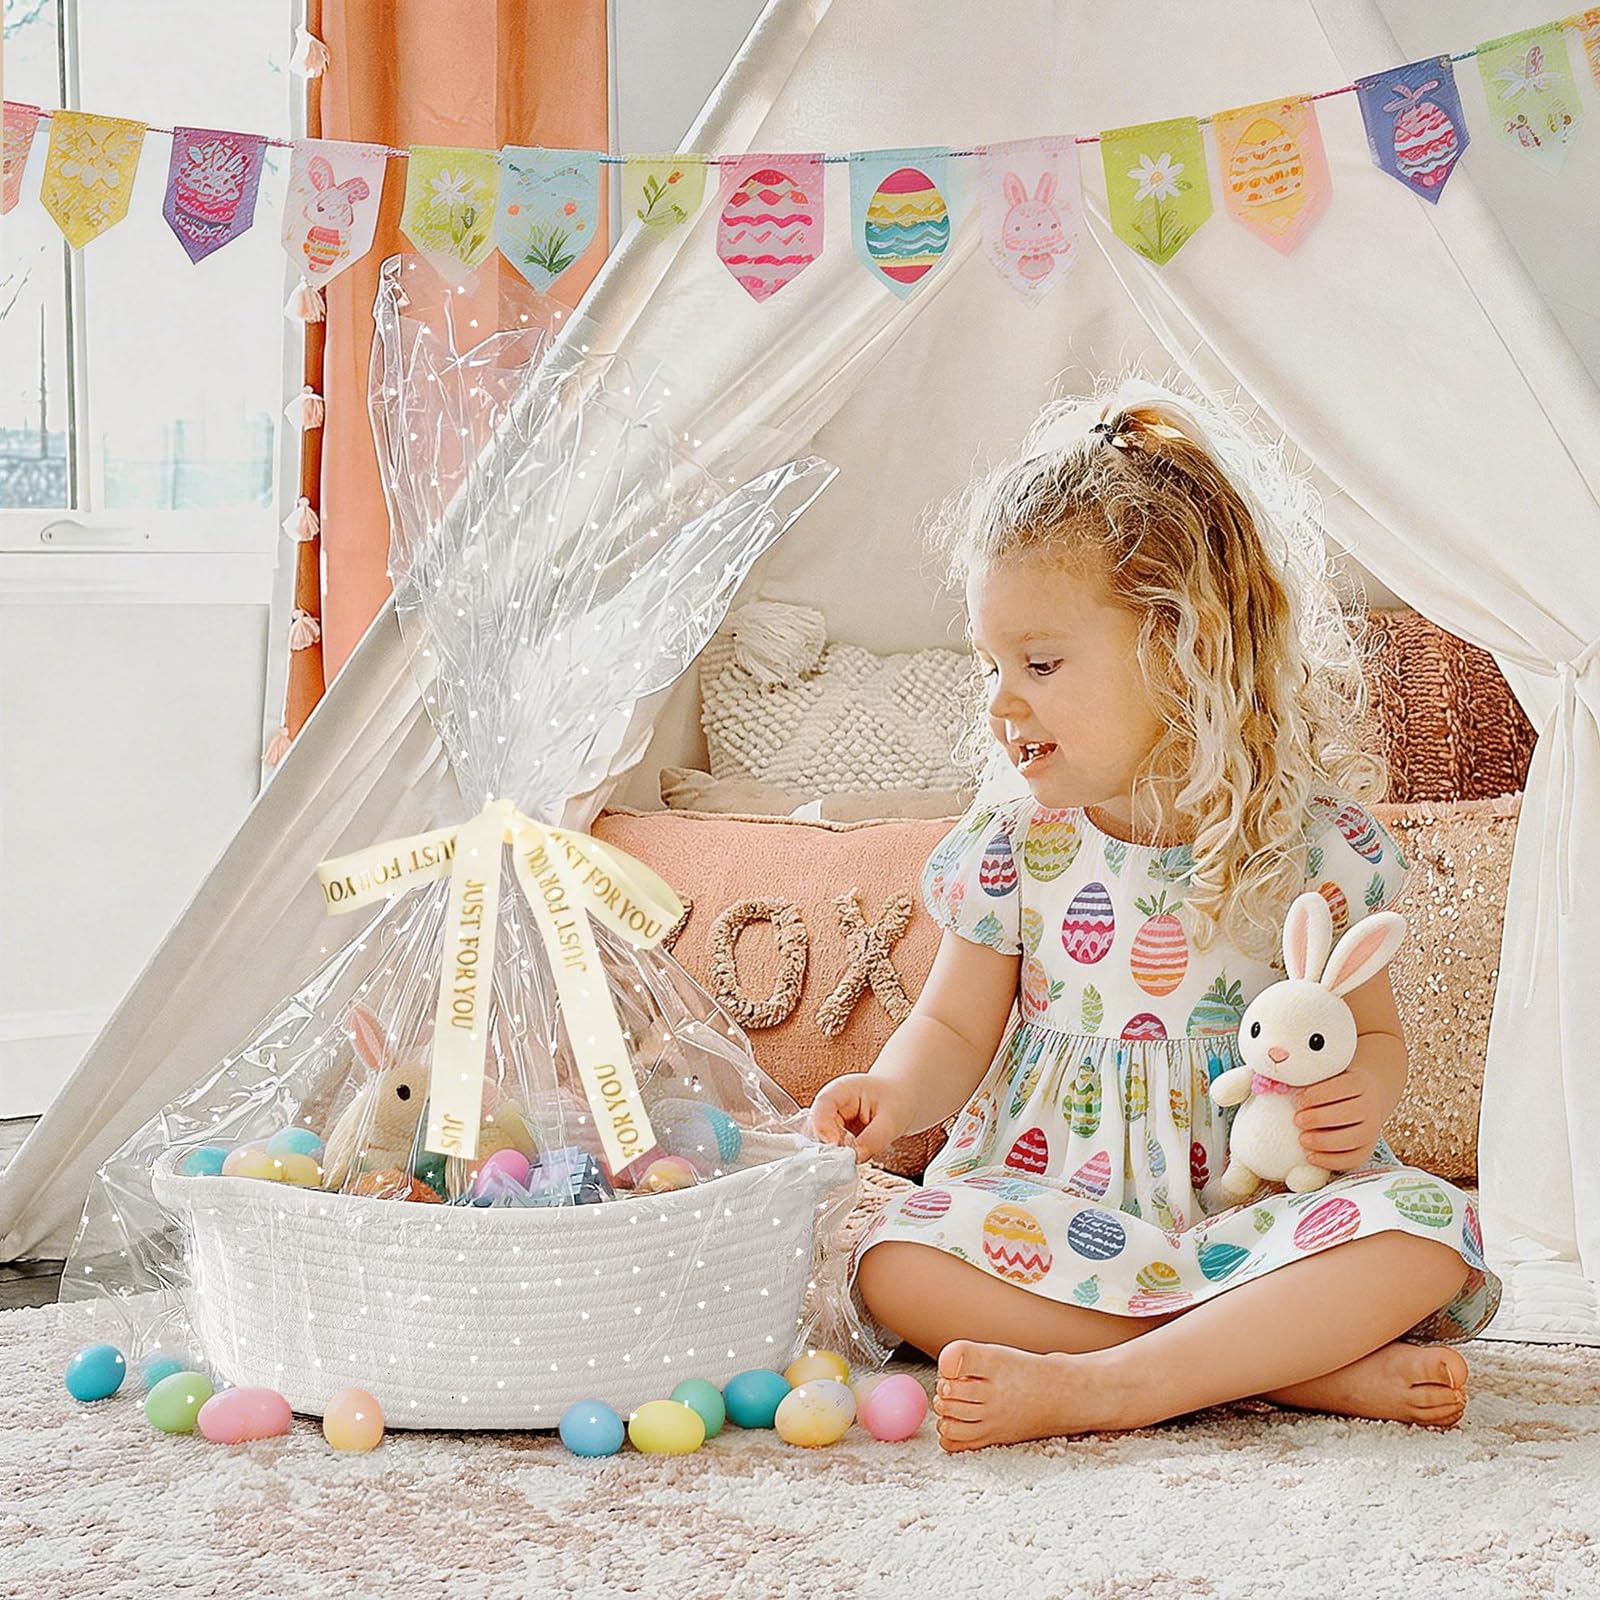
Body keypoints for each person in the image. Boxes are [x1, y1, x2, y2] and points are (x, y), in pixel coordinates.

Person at [811, 388, 1498, 1452]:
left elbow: (1372, 1036)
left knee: (1429, 1234)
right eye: (992, 666)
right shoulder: (1015, 845)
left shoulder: (1309, 846)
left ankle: (1113, 1384)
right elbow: (949, 1029)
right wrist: (892, 1094)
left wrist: (1359, 1096)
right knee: (889, 1262)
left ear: (1183, 649)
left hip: (1253, 1206)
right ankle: (1285, 1368)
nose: (1001, 703)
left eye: (1040, 664)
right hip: (1051, 1201)